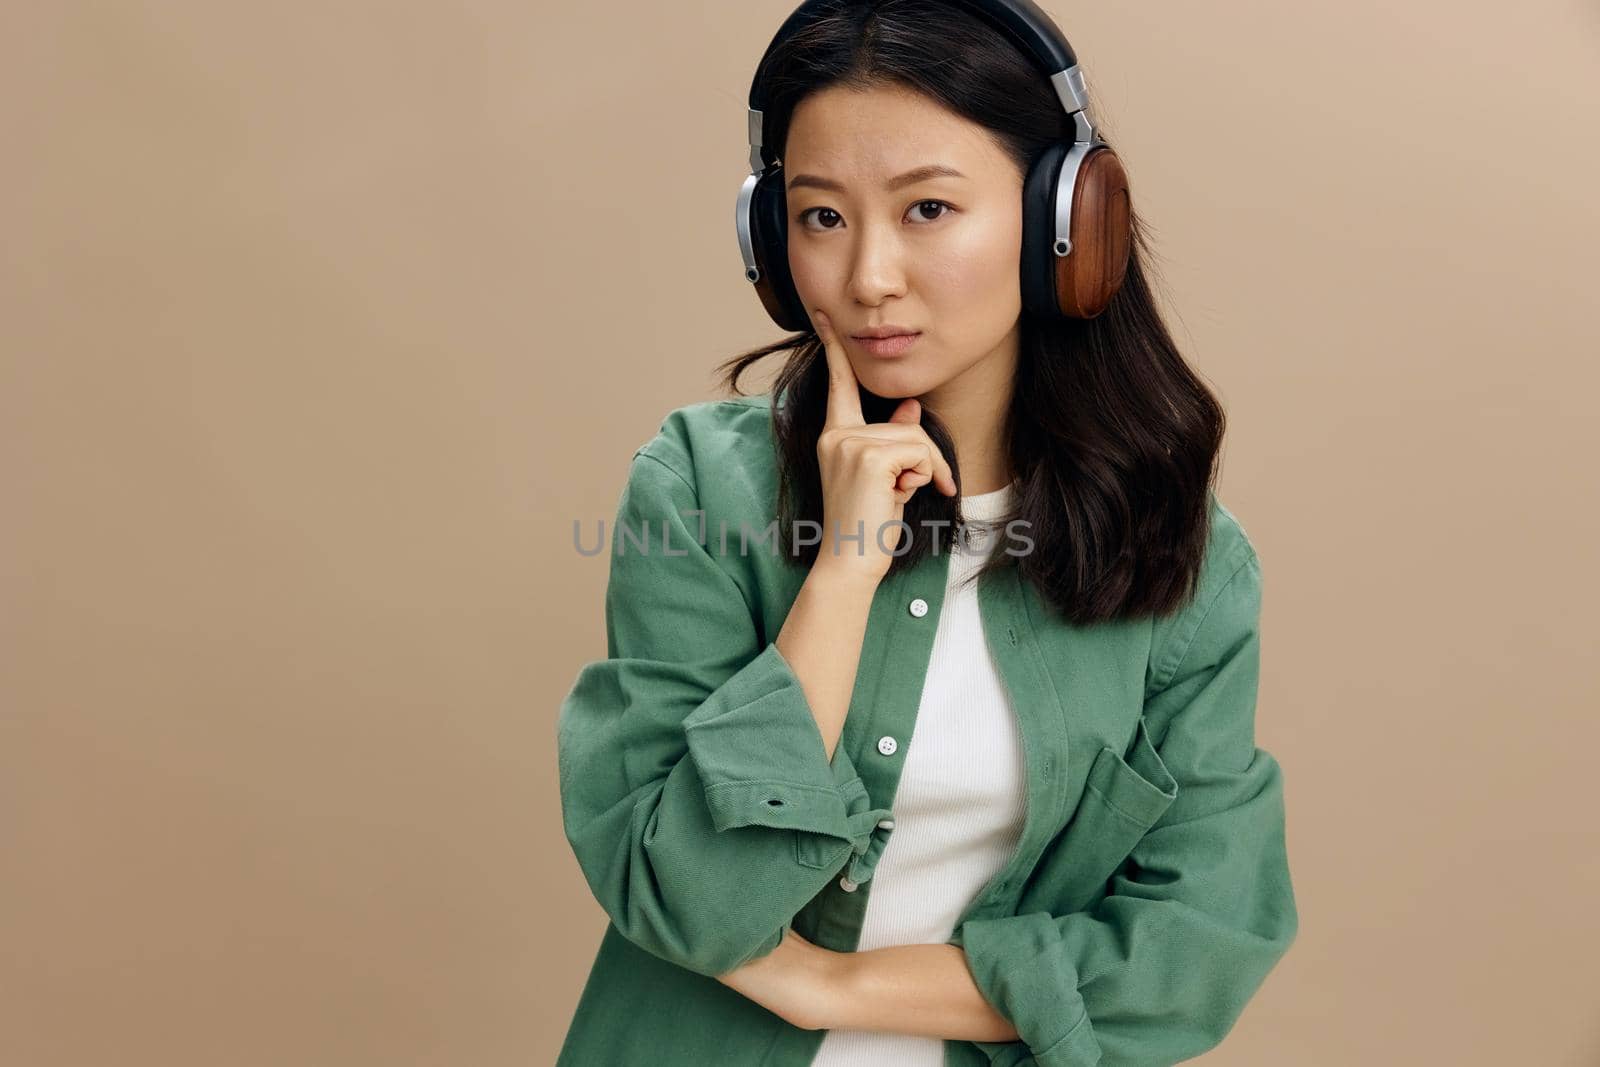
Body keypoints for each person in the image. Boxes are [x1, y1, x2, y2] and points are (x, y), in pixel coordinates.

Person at [555, 2, 1298, 1064]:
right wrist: (844, 572)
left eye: (929, 209)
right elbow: (689, 900)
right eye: (820, 217)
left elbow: (1198, 946)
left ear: (1063, 220)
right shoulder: (698, 490)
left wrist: (827, 985)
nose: (867, 278)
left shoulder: (1185, 559)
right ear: (769, 239)